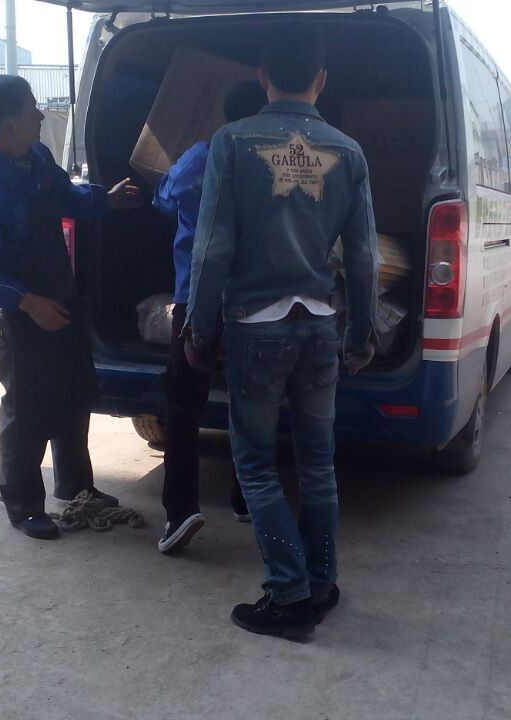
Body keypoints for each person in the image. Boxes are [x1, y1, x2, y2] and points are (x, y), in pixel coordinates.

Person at [184, 22, 378, 637]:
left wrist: (198, 329)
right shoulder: (349, 151)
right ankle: (320, 583)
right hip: (320, 324)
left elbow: (212, 248)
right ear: (321, 80)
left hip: (256, 328)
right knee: (318, 463)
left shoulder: (232, 141)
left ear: (263, 77)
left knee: (257, 465)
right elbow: (364, 256)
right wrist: (361, 333)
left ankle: (289, 596)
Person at [0, 75, 143, 541]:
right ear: (9, 123)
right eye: (32, 108)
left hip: (61, 297)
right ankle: (24, 506)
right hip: (22, 313)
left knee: (75, 395)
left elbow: (64, 195)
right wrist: (26, 301)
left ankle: (76, 486)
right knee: (28, 408)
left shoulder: (35, 157)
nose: (40, 115)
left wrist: (105, 200)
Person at [151, 81, 268, 554]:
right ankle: (246, 497)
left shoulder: (201, 156)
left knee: (184, 404)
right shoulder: (275, 161)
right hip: (255, 301)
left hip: (196, 297)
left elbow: (163, 199)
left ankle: (181, 512)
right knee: (251, 402)